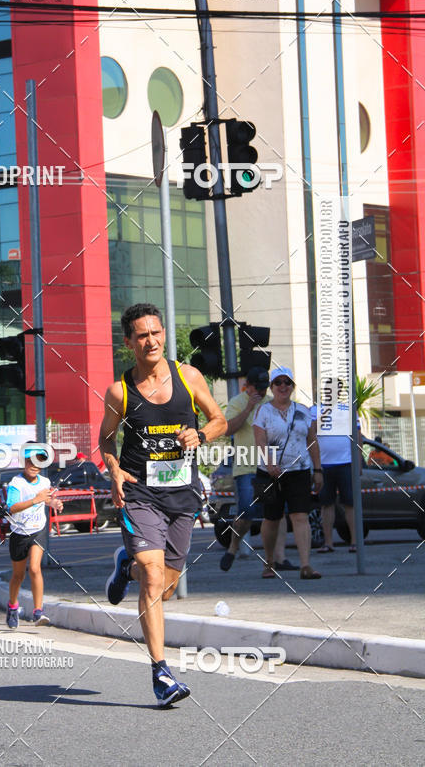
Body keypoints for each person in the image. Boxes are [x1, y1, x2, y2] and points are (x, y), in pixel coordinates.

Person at [99, 303, 227, 707]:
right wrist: (114, 470)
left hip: (182, 495)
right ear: (129, 342)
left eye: (155, 333)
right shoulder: (120, 391)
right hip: (140, 494)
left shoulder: (188, 376)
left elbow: (219, 419)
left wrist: (201, 436)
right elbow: (106, 439)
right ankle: (161, 673)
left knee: (165, 588)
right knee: (153, 579)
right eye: (142, 335)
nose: (150, 341)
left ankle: (127, 564)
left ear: (164, 335)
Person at [220, 366, 296, 573]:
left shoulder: (272, 403)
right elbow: (228, 430)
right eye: (258, 388)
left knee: (277, 513)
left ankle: (278, 558)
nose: (261, 392)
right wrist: (248, 409)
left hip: (270, 466)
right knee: (247, 511)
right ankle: (233, 547)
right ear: (248, 386)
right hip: (246, 467)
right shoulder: (237, 402)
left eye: (264, 388)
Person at [253, 367, 323, 579]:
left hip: (298, 470)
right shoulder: (263, 411)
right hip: (269, 473)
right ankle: (269, 561)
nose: (283, 386)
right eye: (278, 382)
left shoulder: (303, 411)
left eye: (287, 382)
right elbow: (260, 440)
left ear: (292, 386)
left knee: (300, 516)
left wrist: (318, 469)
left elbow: (312, 441)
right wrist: (270, 463)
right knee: (271, 518)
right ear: (272, 387)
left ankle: (305, 565)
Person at [5, 454, 63, 628]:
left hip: (38, 530)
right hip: (19, 533)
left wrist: (54, 503)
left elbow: (47, 500)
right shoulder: (16, 483)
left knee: (35, 568)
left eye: (39, 462)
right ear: (24, 462)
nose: (35, 466)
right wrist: (35, 500)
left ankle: (38, 611)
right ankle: (12, 607)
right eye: (31, 462)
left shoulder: (45, 482)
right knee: (18, 575)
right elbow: (12, 508)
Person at [312, 389, 361, 553]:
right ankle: (328, 543)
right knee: (326, 504)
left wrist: (358, 464)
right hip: (324, 465)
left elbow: (358, 436)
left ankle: (354, 541)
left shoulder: (349, 410)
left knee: (350, 503)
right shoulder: (315, 410)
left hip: (346, 463)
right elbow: (311, 434)